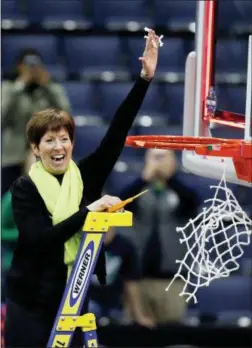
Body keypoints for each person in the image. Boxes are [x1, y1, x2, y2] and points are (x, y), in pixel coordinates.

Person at [4, 29, 160, 347]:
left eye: (65, 138)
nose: (59, 146)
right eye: (50, 140)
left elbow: (116, 133)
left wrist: (144, 79)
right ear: (35, 148)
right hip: (30, 304)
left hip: (73, 298)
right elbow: (41, 241)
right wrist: (86, 212)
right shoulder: (24, 188)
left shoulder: (85, 175)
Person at [120, 149, 200, 323]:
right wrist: (144, 179)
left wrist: (169, 178)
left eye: (163, 157)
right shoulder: (138, 190)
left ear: (173, 161)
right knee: (136, 334)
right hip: (137, 281)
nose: (158, 161)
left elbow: (192, 203)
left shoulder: (182, 192)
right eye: (154, 157)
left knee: (171, 334)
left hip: (173, 281)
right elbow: (120, 204)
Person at [2, 48, 70, 196]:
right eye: (28, 65)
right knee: (8, 198)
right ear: (19, 66)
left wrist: (48, 87)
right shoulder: (9, 88)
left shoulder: (51, 88)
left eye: (35, 65)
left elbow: (66, 116)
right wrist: (19, 86)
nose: (32, 69)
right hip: (14, 153)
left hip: (45, 153)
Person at [89, 227, 155, 328]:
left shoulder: (125, 246)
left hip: (115, 305)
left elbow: (131, 283)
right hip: (89, 304)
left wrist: (139, 316)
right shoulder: (83, 244)